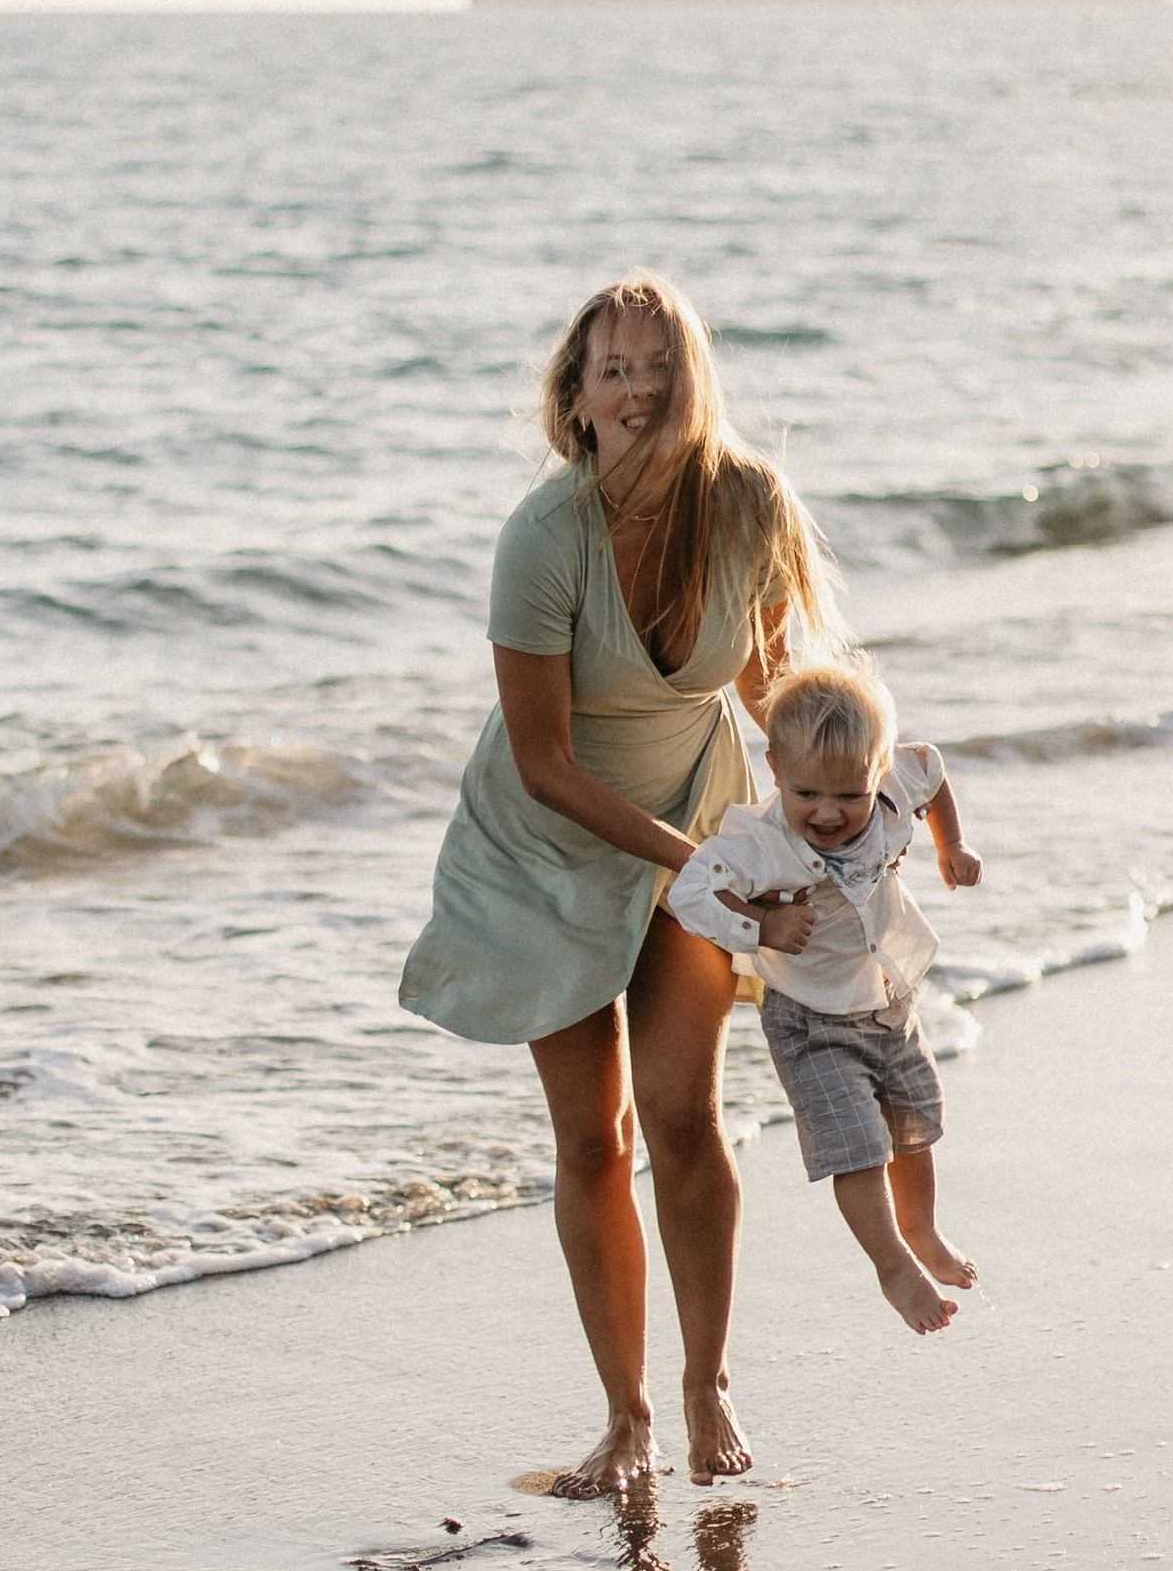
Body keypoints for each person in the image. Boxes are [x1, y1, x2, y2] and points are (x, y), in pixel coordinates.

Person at [400, 274, 838, 1487]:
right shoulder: (542, 540)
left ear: (693, 381)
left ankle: (706, 1392)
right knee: (594, 1137)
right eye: (613, 371)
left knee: (687, 1117)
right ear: (576, 400)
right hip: (544, 848)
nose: (638, 388)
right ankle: (625, 1416)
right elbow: (541, 764)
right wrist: (702, 866)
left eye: (661, 365)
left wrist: (836, 806)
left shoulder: (746, 504)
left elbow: (765, 690)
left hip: (689, 816)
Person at [669, 658, 982, 1336]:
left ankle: (922, 1230)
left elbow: (931, 770)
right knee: (857, 1146)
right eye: (807, 792)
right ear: (775, 766)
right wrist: (763, 926)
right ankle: (893, 1263)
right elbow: (689, 891)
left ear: (875, 772)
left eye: (850, 795)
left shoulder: (893, 785)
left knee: (915, 1124)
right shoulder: (759, 843)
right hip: (810, 1020)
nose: (829, 812)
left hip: (889, 1000)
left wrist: (950, 847)